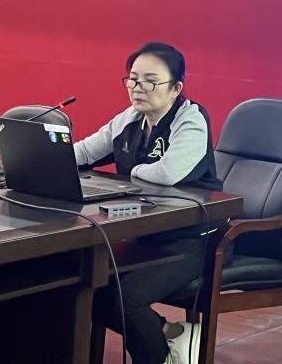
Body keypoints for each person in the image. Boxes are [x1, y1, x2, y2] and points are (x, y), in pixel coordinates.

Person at [74, 42, 221, 364]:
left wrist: (132, 170)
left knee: (128, 299)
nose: (138, 88)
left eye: (150, 81)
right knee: (86, 289)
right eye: (133, 79)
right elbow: (84, 152)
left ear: (175, 88)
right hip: (145, 235)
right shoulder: (130, 118)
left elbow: (168, 173)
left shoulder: (190, 119)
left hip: (192, 239)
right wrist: (47, 158)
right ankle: (172, 333)